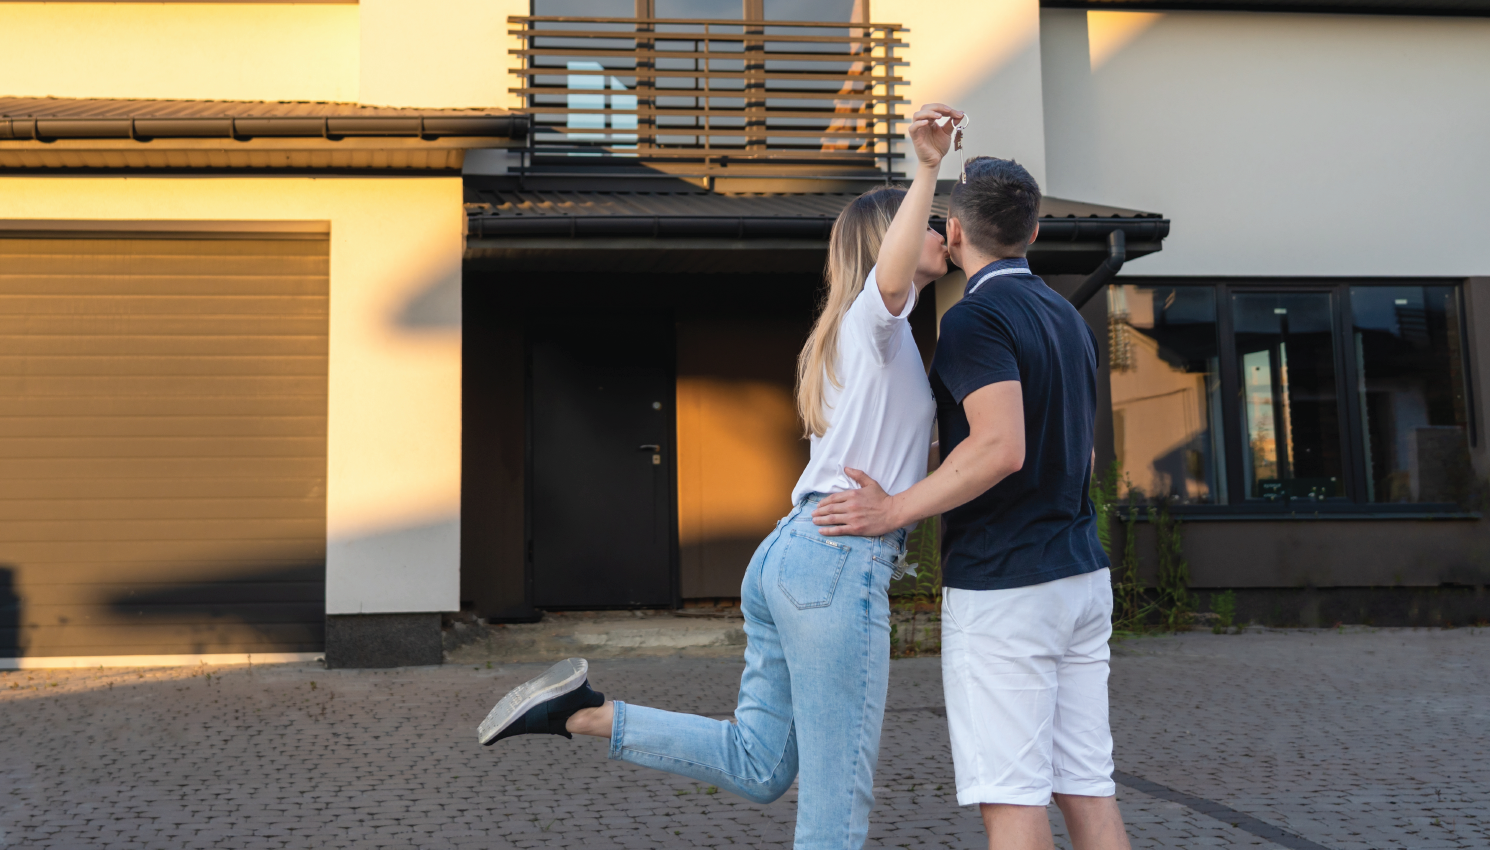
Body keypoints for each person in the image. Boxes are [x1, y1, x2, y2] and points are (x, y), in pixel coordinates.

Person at [475, 103, 963, 850]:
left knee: (760, 762)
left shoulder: (867, 348)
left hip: (789, 559)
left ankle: (582, 713)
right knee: (835, 806)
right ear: (885, 242)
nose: (941, 231)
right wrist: (925, 166)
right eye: (927, 222)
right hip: (835, 564)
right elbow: (895, 278)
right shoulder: (877, 323)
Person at [811, 156, 1132, 850]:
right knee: (1086, 785)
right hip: (1081, 576)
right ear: (1035, 232)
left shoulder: (972, 319)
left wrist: (893, 510)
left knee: (1013, 800)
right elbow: (1083, 456)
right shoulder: (1068, 318)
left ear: (954, 232)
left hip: (1008, 589)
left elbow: (1000, 448)